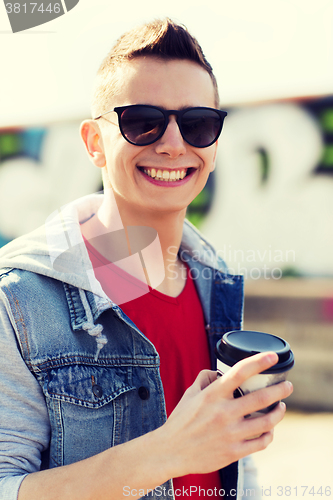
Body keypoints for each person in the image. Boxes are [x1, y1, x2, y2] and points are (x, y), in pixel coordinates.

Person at [0, 18, 293, 500]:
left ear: (215, 145)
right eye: (141, 121)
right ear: (95, 142)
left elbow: (233, 465)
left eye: (198, 123)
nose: (173, 143)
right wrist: (167, 453)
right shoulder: (20, 300)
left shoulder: (215, 281)